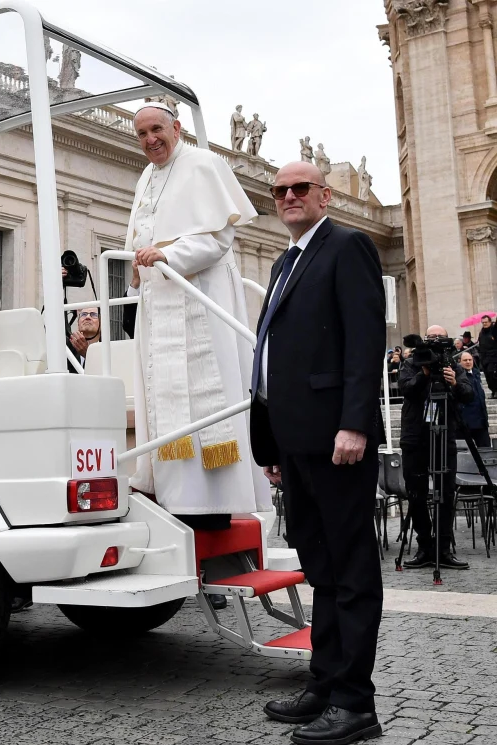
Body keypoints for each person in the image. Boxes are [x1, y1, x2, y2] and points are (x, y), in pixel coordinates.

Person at [250, 162, 385, 744]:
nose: (288, 197)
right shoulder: (285, 261)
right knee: (323, 571)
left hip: (338, 442)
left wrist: (355, 423)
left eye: (299, 188)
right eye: (279, 190)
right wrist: (270, 441)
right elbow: (270, 358)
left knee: (351, 572)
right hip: (296, 443)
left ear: (324, 195)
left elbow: (364, 338)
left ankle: (356, 703)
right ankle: (325, 684)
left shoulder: (348, 246)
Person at [122, 102, 271, 528]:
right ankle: (170, 495)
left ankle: (213, 506)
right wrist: (138, 269)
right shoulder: (146, 177)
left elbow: (219, 237)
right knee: (163, 399)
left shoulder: (204, 163)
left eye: (157, 130)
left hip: (201, 299)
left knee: (207, 398)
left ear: (177, 127)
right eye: (142, 134)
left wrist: (168, 254)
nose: (151, 140)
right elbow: (139, 236)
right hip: (159, 300)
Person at [398, 325, 472, 571]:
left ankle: (443, 548)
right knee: (416, 492)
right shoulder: (412, 363)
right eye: (431, 337)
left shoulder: (453, 364)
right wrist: (425, 373)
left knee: (446, 492)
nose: (435, 341)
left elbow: (469, 394)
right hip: (415, 436)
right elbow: (406, 388)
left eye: (439, 337)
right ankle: (424, 547)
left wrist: (454, 383)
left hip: (444, 434)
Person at [459, 351, 491, 448]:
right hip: (466, 423)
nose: (468, 362)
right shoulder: (458, 376)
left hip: (481, 421)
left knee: (486, 450)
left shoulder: (476, 374)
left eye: (470, 360)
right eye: (465, 360)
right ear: (459, 361)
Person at [479, 315, 497, 398]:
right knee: (487, 376)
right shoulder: (481, 332)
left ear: (490, 322)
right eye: (483, 322)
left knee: (491, 372)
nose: (484, 324)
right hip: (484, 357)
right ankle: (493, 390)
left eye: (486, 322)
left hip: (494, 357)